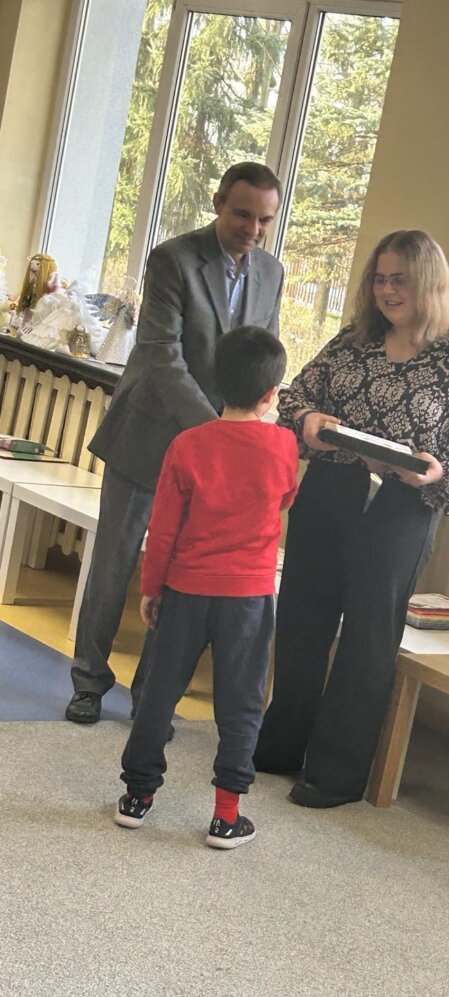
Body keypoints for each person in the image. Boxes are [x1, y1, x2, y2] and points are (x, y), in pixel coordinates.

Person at [252, 229, 449, 808]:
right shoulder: (353, 341)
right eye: (380, 278)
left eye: (401, 280)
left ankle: (336, 773)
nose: (388, 291)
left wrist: (438, 474)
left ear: (428, 284)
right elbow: (294, 397)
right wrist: (309, 420)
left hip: (401, 508)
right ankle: (280, 745)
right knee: (302, 621)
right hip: (331, 491)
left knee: (368, 639)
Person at [66, 161, 285, 726]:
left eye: (264, 220)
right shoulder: (174, 259)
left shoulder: (272, 272)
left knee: (178, 575)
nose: (253, 230)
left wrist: (247, 424)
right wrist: (216, 431)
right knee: (115, 564)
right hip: (149, 434)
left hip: (215, 450)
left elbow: (259, 353)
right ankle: (88, 681)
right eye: (242, 215)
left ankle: (151, 694)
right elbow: (163, 355)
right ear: (218, 204)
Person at [114, 325, 298, 848]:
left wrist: (152, 588)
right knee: (241, 703)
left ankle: (137, 797)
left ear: (216, 381)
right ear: (271, 394)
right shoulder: (283, 445)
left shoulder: (187, 444)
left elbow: (163, 527)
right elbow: (285, 498)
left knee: (158, 693)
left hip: (186, 589)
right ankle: (226, 815)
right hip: (249, 595)